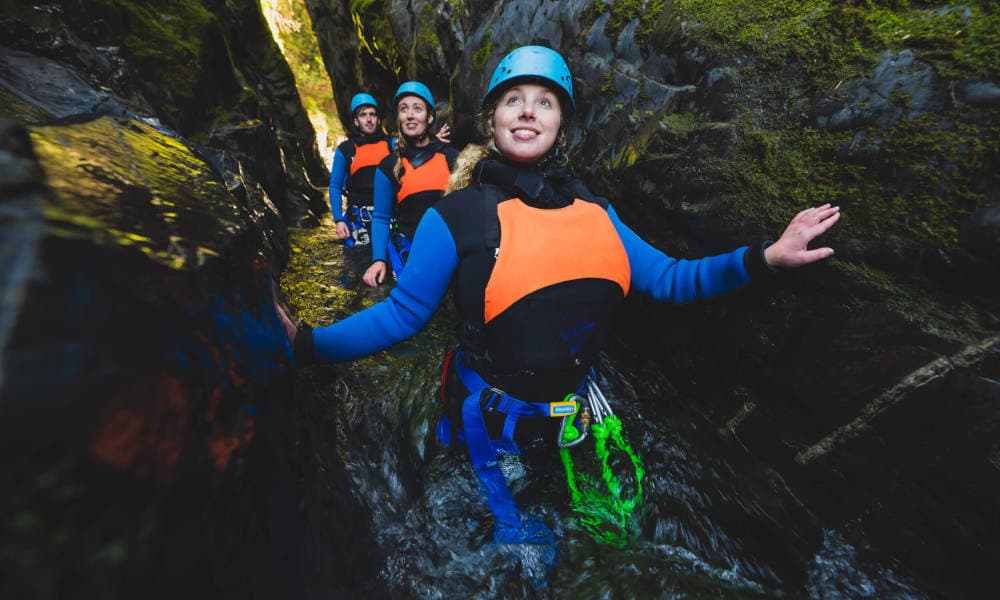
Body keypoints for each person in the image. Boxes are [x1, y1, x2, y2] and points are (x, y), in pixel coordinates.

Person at [280, 46, 840, 547]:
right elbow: (400, 317)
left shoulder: (598, 214)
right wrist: (307, 343)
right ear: (491, 121)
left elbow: (672, 278)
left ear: (561, 127)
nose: (528, 111)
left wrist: (766, 256)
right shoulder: (454, 217)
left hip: (575, 424)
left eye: (544, 102)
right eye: (514, 100)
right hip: (490, 433)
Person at [362, 81, 458, 286]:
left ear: (429, 117)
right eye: (404, 109)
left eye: (417, 109)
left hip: (450, 251)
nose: (410, 115)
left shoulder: (451, 158)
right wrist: (378, 260)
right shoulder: (388, 166)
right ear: (398, 118)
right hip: (410, 252)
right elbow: (381, 217)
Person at [329, 93, 392, 247]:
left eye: (372, 114)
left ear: (378, 119)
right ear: (356, 121)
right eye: (363, 115)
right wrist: (338, 221)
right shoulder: (346, 150)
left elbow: (416, 150)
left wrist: (434, 140)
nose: (369, 119)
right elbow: (335, 186)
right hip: (358, 221)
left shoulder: (392, 145)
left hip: (389, 216)